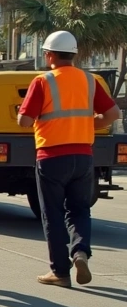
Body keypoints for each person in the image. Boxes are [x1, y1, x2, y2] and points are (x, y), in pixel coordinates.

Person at [17, 30, 122, 287]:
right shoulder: (89, 81)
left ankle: (60, 272)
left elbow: (25, 121)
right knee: (79, 210)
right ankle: (80, 252)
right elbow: (113, 113)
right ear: (74, 54)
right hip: (84, 156)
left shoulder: (43, 82)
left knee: (52, 214)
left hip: (51, 156)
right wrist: (89, 123)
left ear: (49, 55)